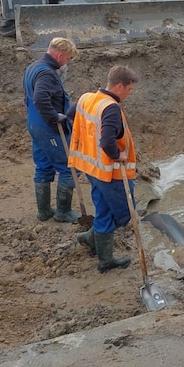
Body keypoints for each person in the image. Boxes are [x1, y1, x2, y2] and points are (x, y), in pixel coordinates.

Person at [69, 66, 140, 273]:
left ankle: (93, 241)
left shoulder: (87, 98)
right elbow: (107, 140)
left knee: (104, 209)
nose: (130, 92)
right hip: (110, 173)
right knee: (125, 211)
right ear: (119, 86)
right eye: (129, 88)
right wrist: (118, 155)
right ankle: (101, 252)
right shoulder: (111, 108)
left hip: (91, 168)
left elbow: (70, 115)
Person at [23, 37, 79, 223]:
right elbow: (40, 98)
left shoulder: (33, 67)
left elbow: (28, 98)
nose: (67, 63)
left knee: (44, 165)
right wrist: (54, 118)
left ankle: (44, 211)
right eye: (68, 58)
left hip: (34, 124)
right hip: (48, 128)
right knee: (70, 167)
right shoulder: (47, 74)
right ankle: (63, 212)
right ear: (60, 55)